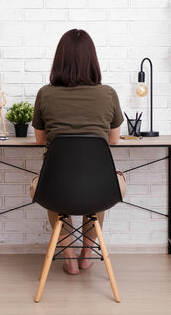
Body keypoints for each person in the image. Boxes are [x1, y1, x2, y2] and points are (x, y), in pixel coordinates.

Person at [30, 29, 126, 275]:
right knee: (104, 183)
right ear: (92, 59)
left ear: (59, 59)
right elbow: (113, 139)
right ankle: (87, 253)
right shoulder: (108, 93)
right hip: (99, 187)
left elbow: (41, 139)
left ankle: (68, 256)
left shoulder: (45, 93)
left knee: (48, 184)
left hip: (56, 186)